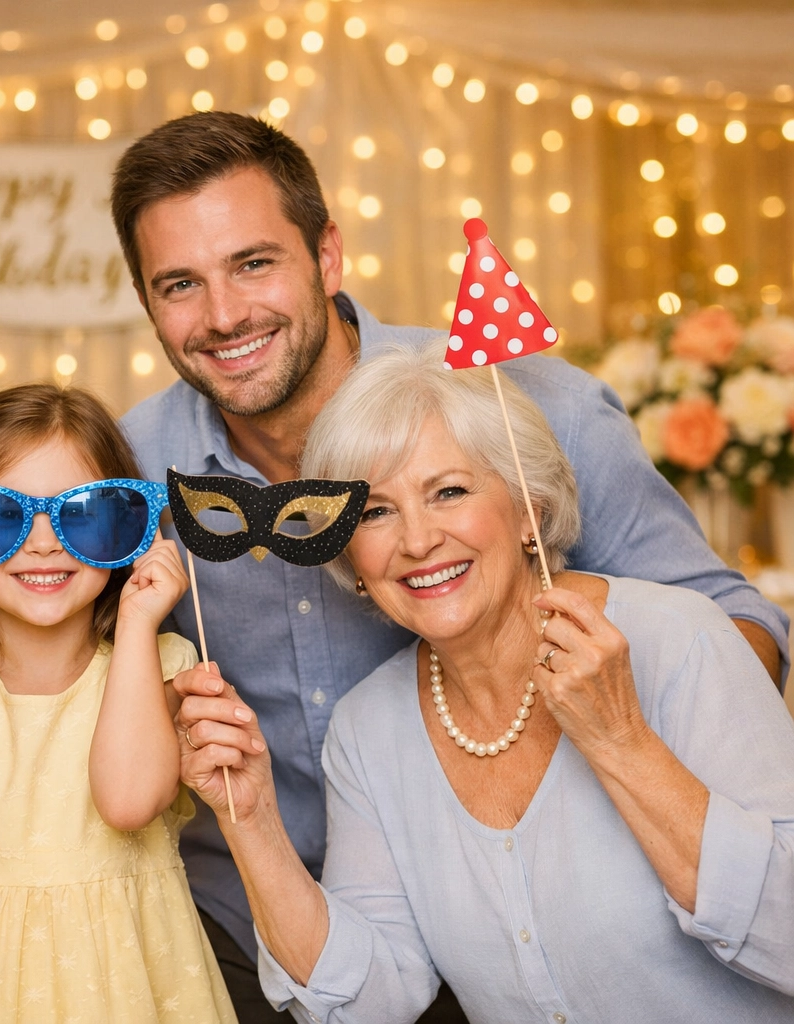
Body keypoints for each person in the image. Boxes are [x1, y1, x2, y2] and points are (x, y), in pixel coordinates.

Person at [111, 110, 790, 1020]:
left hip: (561, 920)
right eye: (180, 284)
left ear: (328, 256)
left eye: (254, 262)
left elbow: (727, 620)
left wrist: (622, 771)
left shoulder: (522, 404)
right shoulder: (126, 471)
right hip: (263, 933)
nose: (225, 314)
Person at [177, 343, 794, 1021]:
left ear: (528, 507)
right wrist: (252, 820)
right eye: (376, 512)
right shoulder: (369, 729)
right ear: (348, 552)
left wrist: (621, 741)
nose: (417, 540)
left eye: (449, 492)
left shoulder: (682, 640)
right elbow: (372, 1004)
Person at [0, 384, 237, 1023]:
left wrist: (140, 623)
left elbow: (129, 802)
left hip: (120, 988)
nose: (42, 543)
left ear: (131, 529)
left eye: (81, 513)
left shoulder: (159, 670)